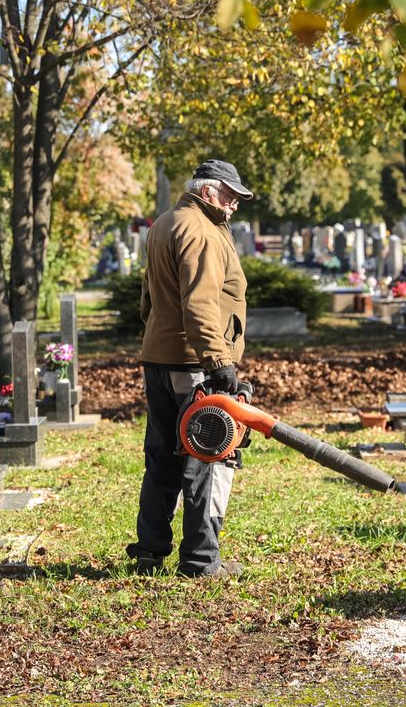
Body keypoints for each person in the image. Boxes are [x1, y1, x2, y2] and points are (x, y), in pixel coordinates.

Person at [127, 159, 253, 578]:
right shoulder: (201, 230)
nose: (234, 205)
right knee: (207, 460)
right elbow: (199, 304)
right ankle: (201, 561)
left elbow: (148, 298)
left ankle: (149, 552)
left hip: (160, 358)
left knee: (161, 457)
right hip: (193, 364)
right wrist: (219, 363)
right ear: (208, 191)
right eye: (230, 196)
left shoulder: (165, 221)